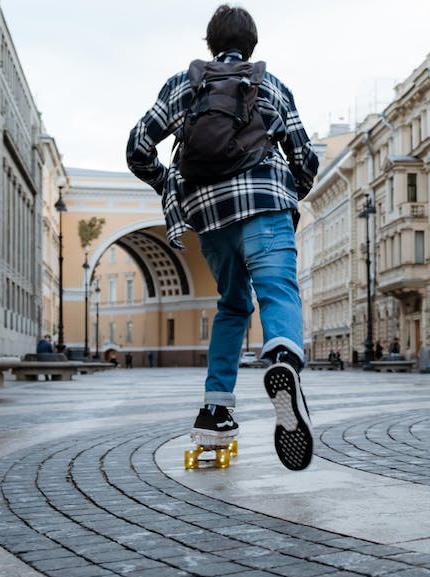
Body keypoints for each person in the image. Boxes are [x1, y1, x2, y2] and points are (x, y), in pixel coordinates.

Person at [127, 5, 319, 471]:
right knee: (277, 290)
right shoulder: (270, 85)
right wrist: (290, 189)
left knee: (233, 306)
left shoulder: (182, 84)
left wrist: (168, 182)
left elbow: (137, 148)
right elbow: (305, 157)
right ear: (252, 45)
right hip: (265, 204)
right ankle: (281, 361)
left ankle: (215, 412)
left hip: (209, 219)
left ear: (208, 43)